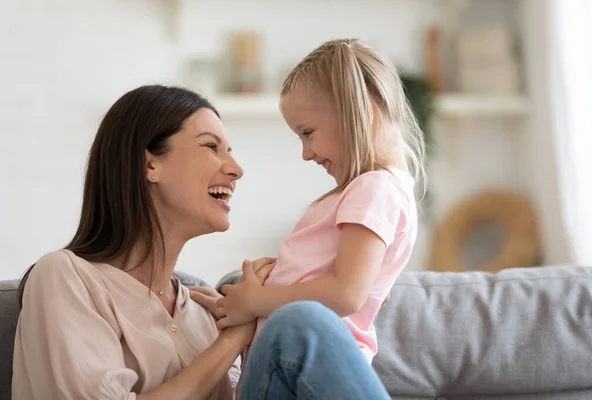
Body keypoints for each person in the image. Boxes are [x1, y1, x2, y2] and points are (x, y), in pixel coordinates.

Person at [13, 84, 392, 399]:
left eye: (231, 151)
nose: (236, 169)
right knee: (301, 322)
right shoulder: (66, 277)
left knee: (303, 323)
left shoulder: (204, 315)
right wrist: (233, 341)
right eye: (212, 147)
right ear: (150, 165)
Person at [214, 38, 424, 363]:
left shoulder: (375, 188)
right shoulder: (372, 189)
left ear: (362, 114)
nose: (306, 153)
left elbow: (346, 294)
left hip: (315, 360)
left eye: (308, 133)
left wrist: (258, 299)